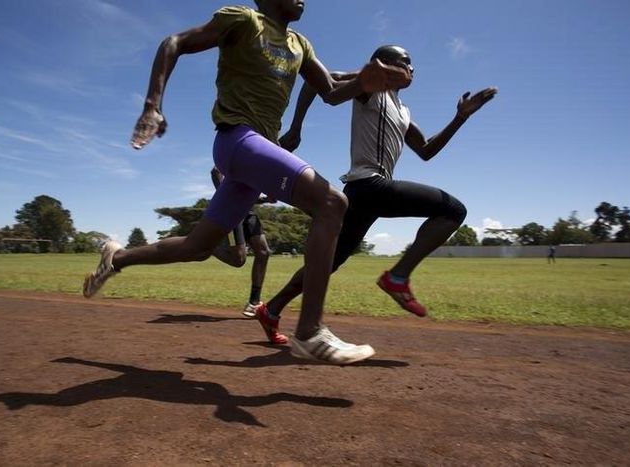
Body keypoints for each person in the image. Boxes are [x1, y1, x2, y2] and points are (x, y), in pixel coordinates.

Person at [82, 1, 410, 365]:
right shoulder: (242, 20)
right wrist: (152, 105)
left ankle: (117, 257)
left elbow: (331, 91)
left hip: (253, 156)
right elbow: (172, 43)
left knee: (197, 246)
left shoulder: (300, 44)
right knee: (332, 203)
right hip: (237, 140)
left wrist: (365, 82)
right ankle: (310, 331)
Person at [256, 45, 496, 338]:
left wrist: (460, 118)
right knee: (453, 210)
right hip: (369, 184)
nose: (411, 68)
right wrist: (296, 128)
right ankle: (397, 277)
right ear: (383, 65)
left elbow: (426, 150)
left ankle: (271, 310)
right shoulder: (368, 87)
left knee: (328, 263)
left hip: (363, 195)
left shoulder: (402, 110)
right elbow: (317, 81)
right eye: (405, 62)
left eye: (412, 63)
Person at [209, 166, 273, 318]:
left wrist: (265, 199)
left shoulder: (255, 168)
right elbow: (215, 171)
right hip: (232, 214)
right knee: (238, 260)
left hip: (248, 213)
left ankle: (254, 302)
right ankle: (208, 246)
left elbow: (247, 195)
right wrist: (227, 197)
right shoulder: (235, 156)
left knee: (264, 252)